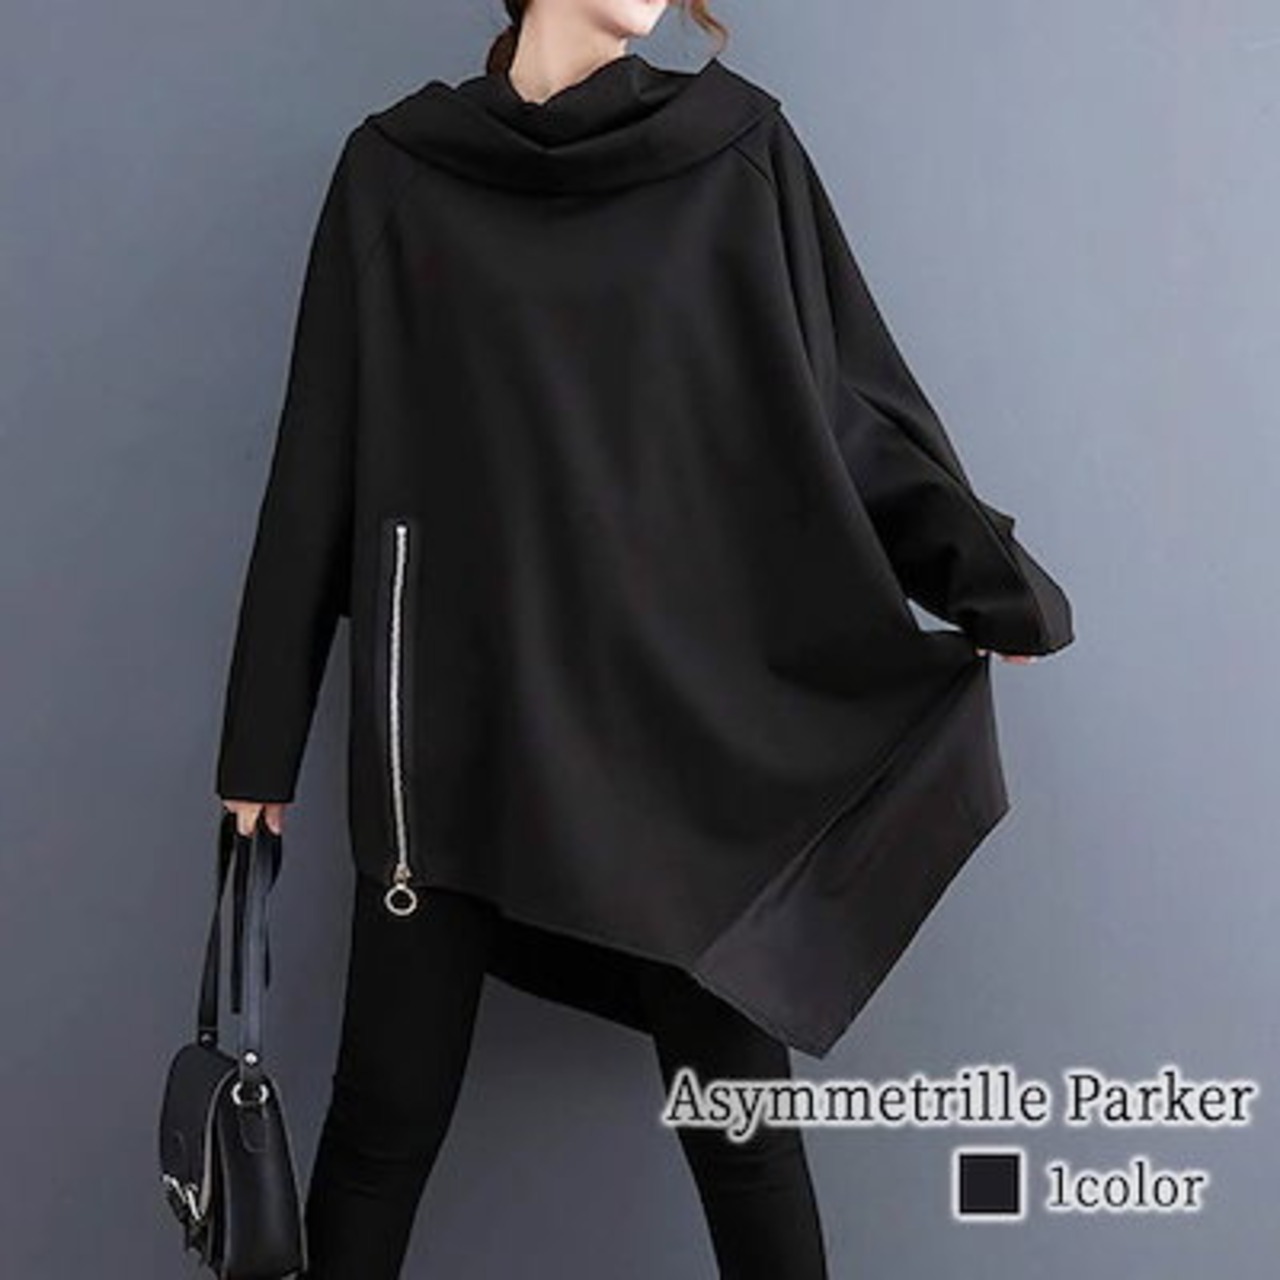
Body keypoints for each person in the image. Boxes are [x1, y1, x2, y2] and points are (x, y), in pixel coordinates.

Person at [216, 2, 1073, 1276]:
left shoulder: (735, 150)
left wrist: (991, 583)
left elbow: (844, 409)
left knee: (741, 1134)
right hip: (451, 743)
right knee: (379, 1129)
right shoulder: (394, 173)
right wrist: (260, 743)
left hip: (677, 754)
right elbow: (317, 463)